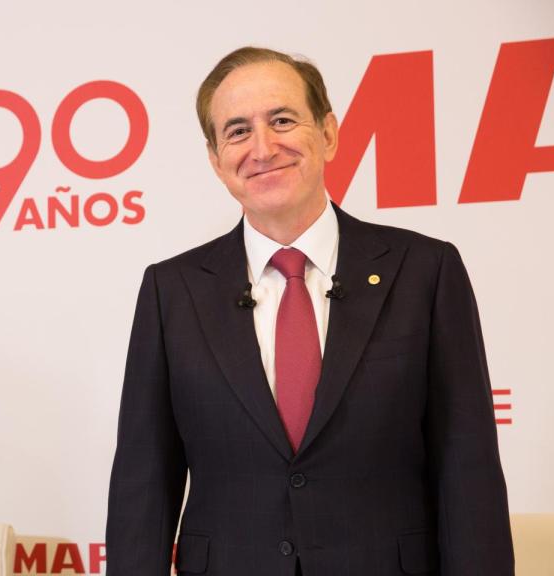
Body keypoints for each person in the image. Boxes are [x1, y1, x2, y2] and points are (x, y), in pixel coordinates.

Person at [106, 47, 513, 575]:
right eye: (236, 131)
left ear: (328, 133)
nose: (262, 147)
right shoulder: (171, 290)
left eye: (281, 120)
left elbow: (468, 467)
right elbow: (144, 480)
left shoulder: (425, 271)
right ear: (215, 160)